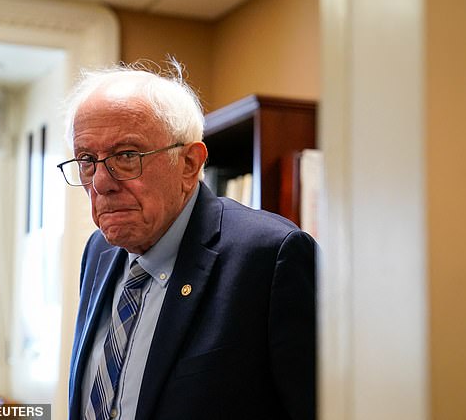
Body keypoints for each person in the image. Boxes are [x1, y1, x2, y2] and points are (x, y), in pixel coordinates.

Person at [58, 61, 317, 420]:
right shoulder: (99, 251)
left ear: (189, 164)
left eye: (126, 156)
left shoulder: (271, 256)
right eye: (87, 160)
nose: (101, 182)